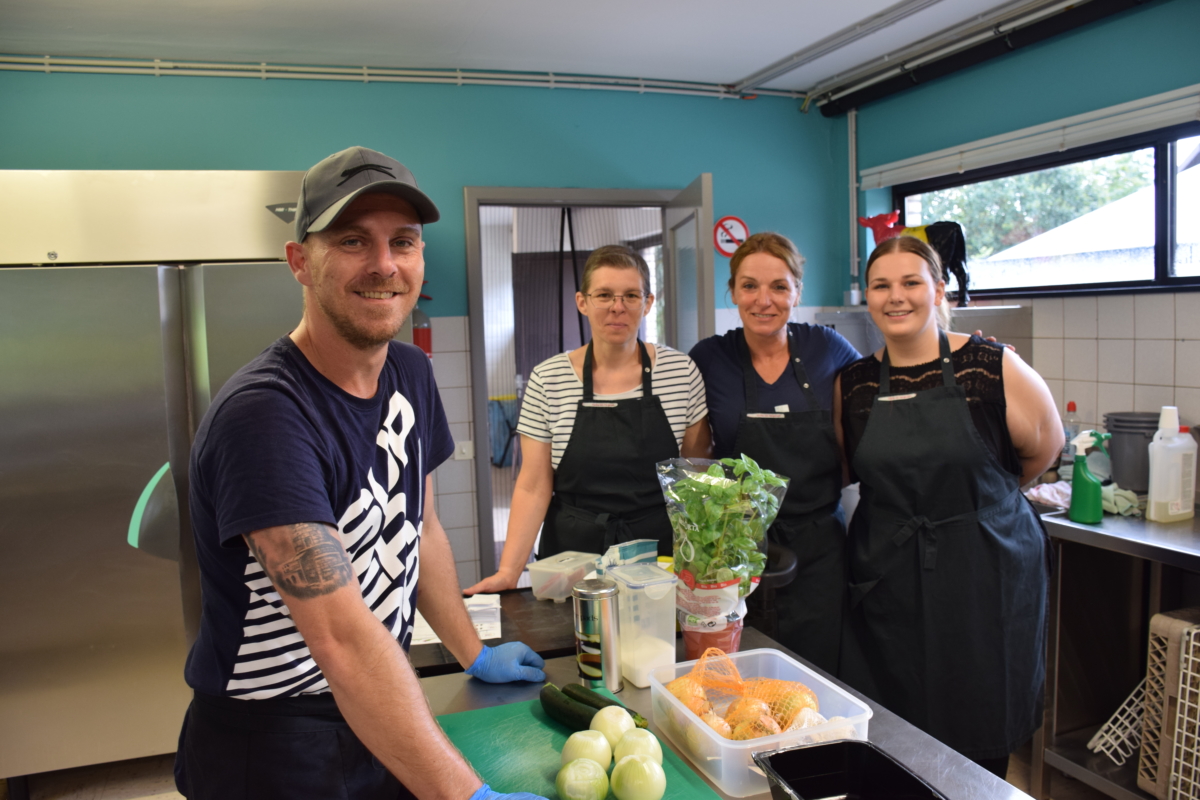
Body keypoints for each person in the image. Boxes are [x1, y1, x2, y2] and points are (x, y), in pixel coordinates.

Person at [175, 146, 547, 800]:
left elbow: (422, 529)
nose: (384, 265)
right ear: (300, 262)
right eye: (353, 241)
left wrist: (474, 652)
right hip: (270, 738)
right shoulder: (265, 416)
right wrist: (467, 797)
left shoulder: (411, 372)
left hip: (377, 700)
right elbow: (342, 641)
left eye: (403, 242)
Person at [834, 235, 1062, 777]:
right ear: (867, 296)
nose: (896, 297)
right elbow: (851, 467)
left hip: (986, 571)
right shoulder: (856, 383)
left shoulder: (991, 366)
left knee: (980, 722)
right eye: (881, 285)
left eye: (911, 282)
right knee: (895, 729)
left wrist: (973, 507)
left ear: (937, 288)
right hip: (890, 577)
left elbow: (1041, 452)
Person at [465, 245, 710, 593]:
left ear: (648, 302)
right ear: (582, 302)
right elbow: (533, 485)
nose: (617, 306)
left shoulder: (680, 372)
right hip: (571, 556)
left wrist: (704, 559)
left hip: (660, 555)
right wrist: (508, 571)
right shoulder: (548, 378)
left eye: (630, 295)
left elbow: (695, 474)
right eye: (604, 295)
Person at [688, 232, 860, 675]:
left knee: (818, 670)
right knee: (739, 670)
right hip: (735, 546)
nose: (764, 300)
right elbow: (692, 449)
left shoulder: (828, 348)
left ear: (797, 291)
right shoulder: (709, 357)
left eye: (779, 287)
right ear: (732, 293)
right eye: (749, 286)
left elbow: (880, 391)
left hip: (820, 545)